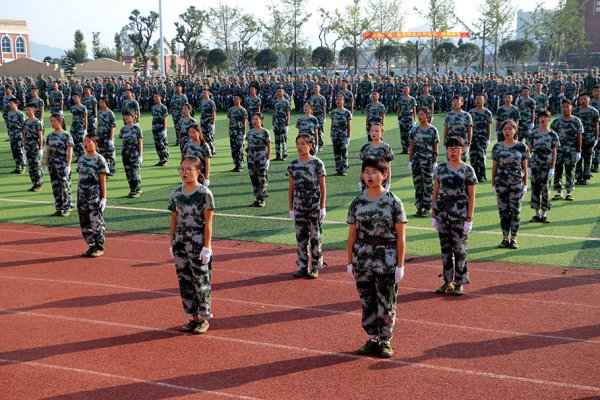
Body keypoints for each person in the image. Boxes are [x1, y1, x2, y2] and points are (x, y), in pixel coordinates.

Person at [347, 156, 407, 358]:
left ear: (384, 175)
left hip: (386, 258)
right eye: (366, 172)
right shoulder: (357, 202)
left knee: (386, 302)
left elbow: (400, 237)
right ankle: (372, 338)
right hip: (362, 257)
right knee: (367, 300)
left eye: (374, 172)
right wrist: (349, 262)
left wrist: (400, 265)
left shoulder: (393, 202)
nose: (370, 176)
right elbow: (352, 234)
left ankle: (385, 340)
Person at [168, 155, 214, 335]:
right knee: (184, 280)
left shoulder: (204, 194)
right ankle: (192, 317)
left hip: (198, 242)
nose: (184, 172)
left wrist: (207, 247)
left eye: (188, 169)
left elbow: (208, 223)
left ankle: (203, 318)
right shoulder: (176, 194)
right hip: (180, 241)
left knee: (200, 281)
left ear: (198, 171)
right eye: (181, 169)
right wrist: (171, 243)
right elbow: (174, 219)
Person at [431, 136, 477, 295]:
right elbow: (435, 193)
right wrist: (433, 215)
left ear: (462, 150)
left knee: (460, 249)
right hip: (443, 213)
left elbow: (471, 196)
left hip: (460, 214)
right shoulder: (440, 168)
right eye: (450, 148)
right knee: (445, 249)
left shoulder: (467, 170)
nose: (453, 151)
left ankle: (459, 282)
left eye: (456, 148)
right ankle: (447, 281)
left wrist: (469, 219)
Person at [287, 134, 327, 279]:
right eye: (298, 143)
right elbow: (291, 188)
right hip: (299, 205)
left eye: (303, 144)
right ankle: (303, 266)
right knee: (301, 237)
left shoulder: (317, 163)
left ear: (310, 146)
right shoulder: (293, 164)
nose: (300, 146)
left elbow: (323, 186)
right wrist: (291, 209)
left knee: (315, 237)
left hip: (314, 205)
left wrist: (322, 207)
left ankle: (315, 267)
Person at [492, 119, 529, 249]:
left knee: (515, 211)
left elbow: (525, 167)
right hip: (501, 184)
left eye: (510, 128)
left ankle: (514, 238)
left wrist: (525, 185)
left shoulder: (522, 147)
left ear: (515, 130)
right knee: (503, 212)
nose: (507, 131)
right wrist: (493, 184)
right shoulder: (497, 147)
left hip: (516, 184)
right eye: (505, 129)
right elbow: (494, 167)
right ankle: (505, 238)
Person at [77, 134, 108, 257]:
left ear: (96, 144)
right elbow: (80, 177)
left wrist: (104, 198)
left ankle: (99, 246)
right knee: (84, 221)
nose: (86, 143)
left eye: (89, 141)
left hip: (94, 195)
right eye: (84, 141)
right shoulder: (81, 159)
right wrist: (77, 193)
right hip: (82, 194)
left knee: (96, 221)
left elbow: (102, 180)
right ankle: (91, 245)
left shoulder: (100, 159)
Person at [527, 110, 559, 223]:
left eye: (545, 117)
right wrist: (528, 165)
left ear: (549, 119)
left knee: (545, 188)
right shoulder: (532, 133)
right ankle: (536, 213)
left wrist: (553, 167)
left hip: (547, 163)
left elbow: (554, 151)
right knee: (535, 188)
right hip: (535, 162)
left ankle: (544, 213)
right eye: (541, 117)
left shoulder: (553, 134)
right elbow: (529, 149)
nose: (543, 119)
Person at [408, 107, 439, 217]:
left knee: (428, 185)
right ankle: (419, 207)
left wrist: (435, 162)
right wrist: (410, 160)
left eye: (422, 114)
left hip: (428, 161)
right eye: (419, 114)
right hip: (416, 161)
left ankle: (427, 207)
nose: (420, 117)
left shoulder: (433, 130)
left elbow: (435, 148)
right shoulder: (414, 130)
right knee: (417, 185)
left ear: (428, 116)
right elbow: (411, 146)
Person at [550, 99, 583, 201]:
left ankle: (569, 192)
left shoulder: (576, 121)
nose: (565, 109)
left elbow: (579, 136)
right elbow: (552, 137)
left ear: (571, 108)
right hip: (558, 151)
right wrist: (551, 151)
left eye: (567, 107)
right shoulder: (556, 122)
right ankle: (558, 192)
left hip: (571, 150)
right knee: (558, 170)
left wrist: (579, 150)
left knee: (570, 170)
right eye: (563, 107)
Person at [45, 113, 74, 216]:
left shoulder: (66, 135)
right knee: (55, 187)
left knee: (65, 186)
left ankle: (67, 208)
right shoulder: (50, 135)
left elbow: (70, 151)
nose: (53, 123)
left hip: (62, 163)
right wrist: (46, 164)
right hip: (53, 163)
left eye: (55, 121)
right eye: (51, 121)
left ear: (60, 122)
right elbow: (48, 150)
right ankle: (58, 208)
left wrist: (68, 165)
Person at [572, 92, 599, 185]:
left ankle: (586, 177)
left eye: (585, 99)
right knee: (578, 159)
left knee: (588, 158)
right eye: (581, 99)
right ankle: (578, 177)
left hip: (589, 138)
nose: (583, 101)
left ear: (589, 100)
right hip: (578, 139)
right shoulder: (575, 111)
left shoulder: (594, 111)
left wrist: (596, 138)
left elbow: (596, 126)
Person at [358, 123, 394, 190]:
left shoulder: (386, 147)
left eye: (376, 131)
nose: (373, 133)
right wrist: (360, 180)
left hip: (381, 180)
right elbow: (363, 165)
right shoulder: (365, 147)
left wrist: (388, 182)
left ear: (382, 133)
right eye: (371, 131)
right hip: (367, 180)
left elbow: (388, 166)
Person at [246, 112, 271, 207]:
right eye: (253, 119)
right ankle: (257, 198)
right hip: (251, 157)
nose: (254, 121)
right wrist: (248, 155)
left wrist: (268, 159)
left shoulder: (265, 132)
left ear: (261, 120)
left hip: (261, 157)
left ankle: (262, 199)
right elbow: (248, 145)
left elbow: (268, 145)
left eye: (256, 119)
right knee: (253, 178)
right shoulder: (250, 132)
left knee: (262, 178)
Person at [468, 94, 493, 181]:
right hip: (473, 138)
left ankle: (482, 175)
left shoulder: (487, 112)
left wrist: (488, 139)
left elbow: (489, 127)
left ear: (484, 101)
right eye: (477, 99)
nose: (478, 101)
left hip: (482, 138)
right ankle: (474, 176)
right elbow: (469, 127)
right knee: (473, 157)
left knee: (481, 157)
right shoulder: (471, 112)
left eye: (480, 99)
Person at [119, 110, 143, 198]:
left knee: (135, 172)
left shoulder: (137, 129)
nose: (126, 117)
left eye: (128, 116)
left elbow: (140, 143)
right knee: (128, 172)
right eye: (125, 116)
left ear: (133, 117)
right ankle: (132, 190)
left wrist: (140, 155)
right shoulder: (123, 129)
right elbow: (122, 142)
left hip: (134, 153)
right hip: (125, 153)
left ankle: (137, 190)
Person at [443, 95, 473, 162]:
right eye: (453, 101)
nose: (455, 103)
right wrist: (444, 143)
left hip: (462, 143)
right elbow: (446, 130)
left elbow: (470, 130)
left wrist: (468, 144)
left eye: (457, 101)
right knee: (450, 162)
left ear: (462, 102)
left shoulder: (466, 115)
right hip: (450, 143)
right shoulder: (448, 115)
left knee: (461, 163)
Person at [23, 102, 44, 191]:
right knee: (31, 167)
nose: (27, 111)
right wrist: (24, 147)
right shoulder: (25, 122)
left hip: (35, 146)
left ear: (34, 110)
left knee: (37, 166)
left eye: (29, 109)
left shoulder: (37, 122)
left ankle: (39, 184)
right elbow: (24, 135)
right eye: (26, 110)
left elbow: (40, 136)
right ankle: (34, 183)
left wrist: (41, 149)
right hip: (28, 147)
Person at [329, 94, 352, 176]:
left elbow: (349, 125)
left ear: (343, 101)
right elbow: (332, 124)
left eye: (340, 100)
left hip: (343, 135)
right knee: (336, 153)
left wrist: (349, 136)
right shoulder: (333, 112)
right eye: (337, 100)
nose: (338, 101)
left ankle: (344, 168)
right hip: (335, 135)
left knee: (344, 152)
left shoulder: (347, 112)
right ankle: (338, 169)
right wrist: (331, 135)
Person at [96, 96, 117, 177]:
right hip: (101, 136)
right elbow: (99, 125)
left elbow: (113, 126)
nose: (101, 104)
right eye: (100, 102)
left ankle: (112, 170)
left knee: (110, 154)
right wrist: (96, 135)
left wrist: (111, 138)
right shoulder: (100, 113)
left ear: (106, 103)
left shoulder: (110, 113)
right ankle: (105, 170)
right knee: (102, 154)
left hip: (108, 136)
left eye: (102, 102)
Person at [227, 93, 248, 172]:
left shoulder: (243, 110)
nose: (235, 100)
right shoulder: (231, 110)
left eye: (236, 98)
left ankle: (240, 165)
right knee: (233, 149)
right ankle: (236, 165)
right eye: (234, 98)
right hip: (232, 132)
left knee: (240, 149)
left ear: (240, 100)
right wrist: (229, 130)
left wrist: (244, 133)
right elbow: (230, 121)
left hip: (239, 131)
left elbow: (244, 122)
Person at [6, 98, 26, 174]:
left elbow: (24, 126)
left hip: (19, 134)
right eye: (9, 103)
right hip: (12, 135)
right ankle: (18, 167)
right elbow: (8, 125)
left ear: (16, 103)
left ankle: (23, 166)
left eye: (11, 103)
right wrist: (9, 134)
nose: (10, 104)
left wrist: (24, 136)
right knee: (14, 151)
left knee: (20, 150)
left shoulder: (20, 114)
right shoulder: (9, 113)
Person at [150, 92, 170, 167]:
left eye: (156, 97)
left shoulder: (163, 107)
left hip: (161, 128)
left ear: (160, 97)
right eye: (154, 97)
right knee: (157, 145)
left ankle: (165, 160)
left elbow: (165, 119)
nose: (155, 98)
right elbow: (154, 118)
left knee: (163, 144)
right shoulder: (153, 107)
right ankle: (161, 159)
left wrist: (164, 129)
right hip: (155, 128)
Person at [272, 87, 292, 161]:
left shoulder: (286, 102)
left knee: (284, 139)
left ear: (283, 92)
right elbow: (273, 113)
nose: (278, 93)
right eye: (277, 91)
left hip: (283, 122)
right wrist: (272, 123)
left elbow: (288, 113)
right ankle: (278, 155)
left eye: (280, 91)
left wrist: (287, 124)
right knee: (277, 139)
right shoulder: (275, 102)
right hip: (276, 122)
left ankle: (284, 154)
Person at [397, 84, 417, 154]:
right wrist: (398, 119)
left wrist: (414, 119)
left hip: (409, 118)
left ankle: (408, 148)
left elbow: (414, 109)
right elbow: (399, 109)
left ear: (409, 90)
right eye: (404, 88)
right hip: (402, 118)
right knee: (402, 134)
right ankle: (404, 149)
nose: (405, 90)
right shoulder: (400, 98)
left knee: (409, 134)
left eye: (406, 88)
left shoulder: (412, 99)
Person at [70, 92, 88, 161]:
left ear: (79, 98)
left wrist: (85, 129)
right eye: (73, 97)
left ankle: (84, 157)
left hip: (81, 127)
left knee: (80, 143)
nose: (74, 99)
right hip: (74, 127)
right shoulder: (72, 108)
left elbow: (86, 119)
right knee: (73, 142)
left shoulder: (83, 108)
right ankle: (78, 156)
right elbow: (73, 117)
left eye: (76, 97)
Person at [199, 86, 217, 155]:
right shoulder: (202, 102)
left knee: (210, 136)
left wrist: (213, 123)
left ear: (208, 93)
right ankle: (206, 150)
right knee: (204, 136)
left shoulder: (211, 102)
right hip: (203, 121)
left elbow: (214, 113)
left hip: (209, 121)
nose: (203, 94)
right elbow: (201, 112)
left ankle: (212, 150)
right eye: (203, 93)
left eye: (205, 93)